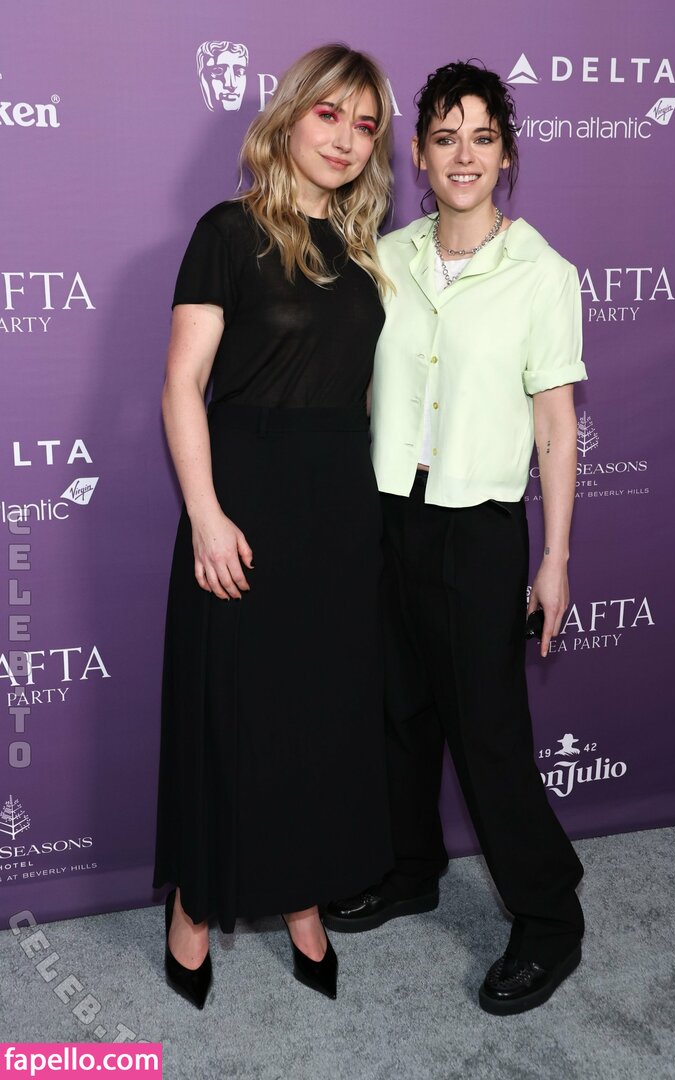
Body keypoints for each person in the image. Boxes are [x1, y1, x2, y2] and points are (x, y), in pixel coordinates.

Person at [324, 60, 588, 1015]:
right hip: (388, 512)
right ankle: (410, 870)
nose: (463, 156)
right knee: (398, 710)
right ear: (419, 155)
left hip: (478, 528)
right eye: (445, 138)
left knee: (488, 734)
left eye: (481, 138)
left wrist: (555, 559)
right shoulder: (385, 257)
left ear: (505, 154)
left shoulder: (543, 274)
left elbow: (555, 425)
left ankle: (549, 918)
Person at [153, 43, 396, 1008]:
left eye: (365, 125)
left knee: (318, 714)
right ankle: (194, 906)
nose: (346, 139)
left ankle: (303, 897)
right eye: (329, 115)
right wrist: (206, 515)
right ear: (290, 115)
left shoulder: (365, 251)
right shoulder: (228, 231)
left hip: (339, 505)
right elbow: (182, 383)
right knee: (230, 713)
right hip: (245, 498)